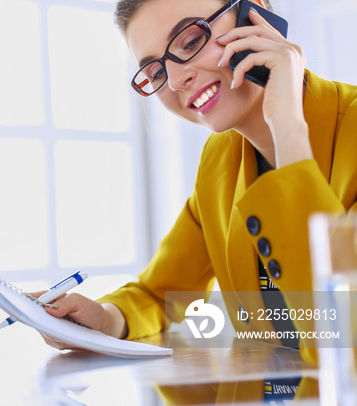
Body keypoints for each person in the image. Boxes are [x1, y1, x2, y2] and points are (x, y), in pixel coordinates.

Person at [40, 0, 357, 364]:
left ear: (255, 16)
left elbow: (344, 332)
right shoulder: (220, 160)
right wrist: (107, 318)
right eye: (156, 72)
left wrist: (286, 126)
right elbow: (163, 294)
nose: (175, 81)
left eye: (190, 41)